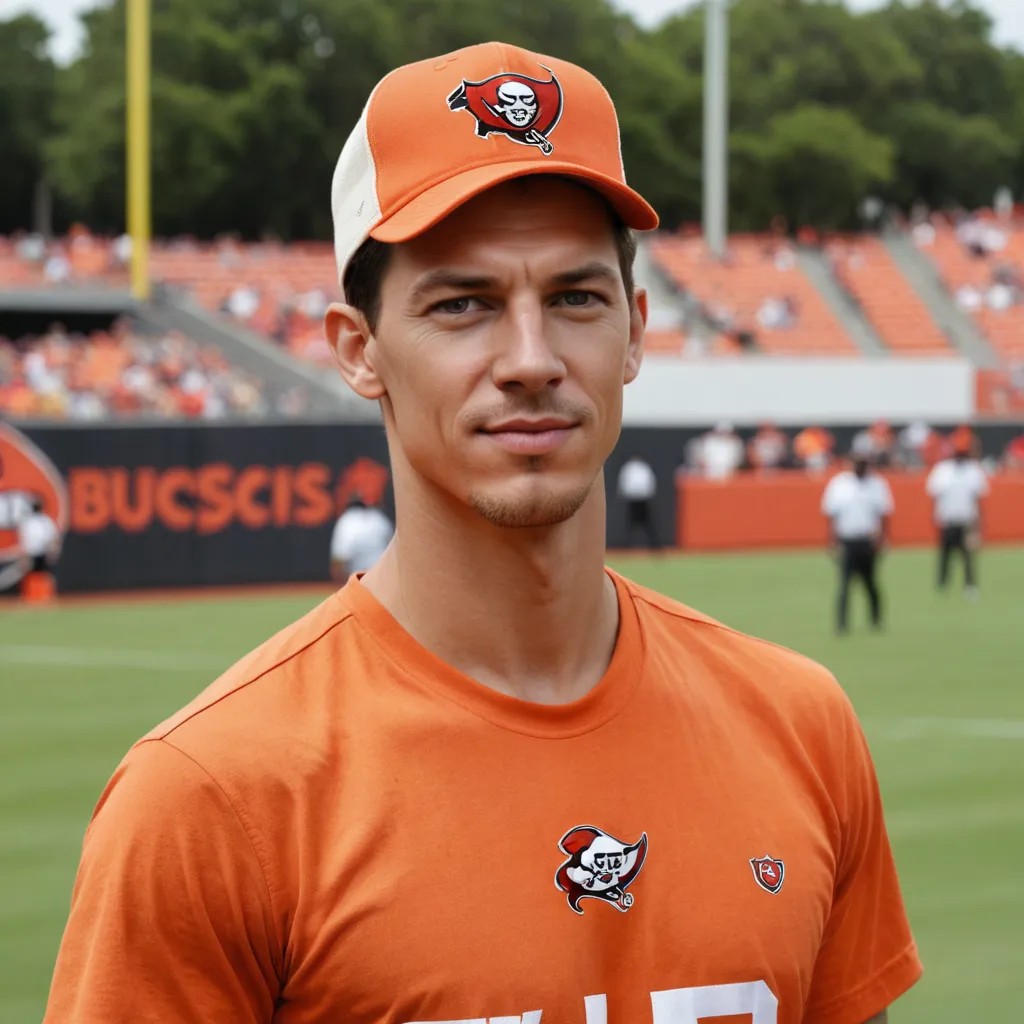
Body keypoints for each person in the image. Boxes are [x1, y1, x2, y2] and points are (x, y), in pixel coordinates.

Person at [46, 42, 920, 1024]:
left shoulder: (802, 726)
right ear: (358, 350)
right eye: (463, 304)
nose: (531, 359)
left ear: (635, 330)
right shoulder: (212, 797)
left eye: (575, 298)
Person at [821, 438, 894, 635]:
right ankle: (842, 624)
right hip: (847, 540)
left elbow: (884, 513)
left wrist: (883, 538)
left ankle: (875, 620)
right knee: (844, 584)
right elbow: (832, 515)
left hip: (868, 540)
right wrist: (832, 541)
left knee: (870, 583)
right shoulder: (839, 484)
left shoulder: (877, 483)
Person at [926, 438, 989, 599]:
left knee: (967, 554)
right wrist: (935, 515)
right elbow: (934, 494)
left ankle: (969, 583)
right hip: (947, 519)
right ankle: (942, 581)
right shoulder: (942, 470)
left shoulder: (973, 470)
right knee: (945, 553)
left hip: (966, 520)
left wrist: (978, 524)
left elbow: (978, 497)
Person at [328, 495, 394, 584]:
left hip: (358, 580)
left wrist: (341, 584)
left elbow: (338, 560)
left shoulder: (347, 520)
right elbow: (394, 550)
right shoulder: (379, 519)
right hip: (383, 579)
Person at [17, 496, 61, 602]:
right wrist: (24, 556)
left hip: (43, 551)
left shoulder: (45, 521)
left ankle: (48, 595)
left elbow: (53, 538)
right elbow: (24, 541)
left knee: (46, 574)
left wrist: (53, 551)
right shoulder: (28, 522)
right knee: (30, 574)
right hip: (32, 552)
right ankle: (28, 596)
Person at [615, 453, 659, 549]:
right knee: (631, 526)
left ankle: (654, 546)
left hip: (642, 499)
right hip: (634, 500)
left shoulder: (640, 468)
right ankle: (626, 546)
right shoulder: (631, 468)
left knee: (647, 525)